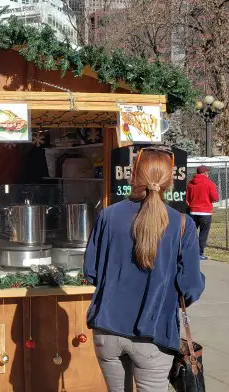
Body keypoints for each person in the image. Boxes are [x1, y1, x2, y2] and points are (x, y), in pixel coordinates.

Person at [84, 147, 205, 392]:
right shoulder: (183, 224)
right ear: (171, 181)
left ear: (133, 176)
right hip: (154, 333)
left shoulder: (107, 216)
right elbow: (191, 287)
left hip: (107, 329)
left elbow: (91, 272)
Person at [186, 165, 219, 260]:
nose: (208, 174)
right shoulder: (209, 183)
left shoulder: (190, 183)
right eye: (207, 172)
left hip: (192, 212)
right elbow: (215, 198)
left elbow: (187, 198)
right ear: (205, 173)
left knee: (192, 233)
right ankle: (200, 253)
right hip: (205, 212)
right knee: (203, 233)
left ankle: (190, 252)